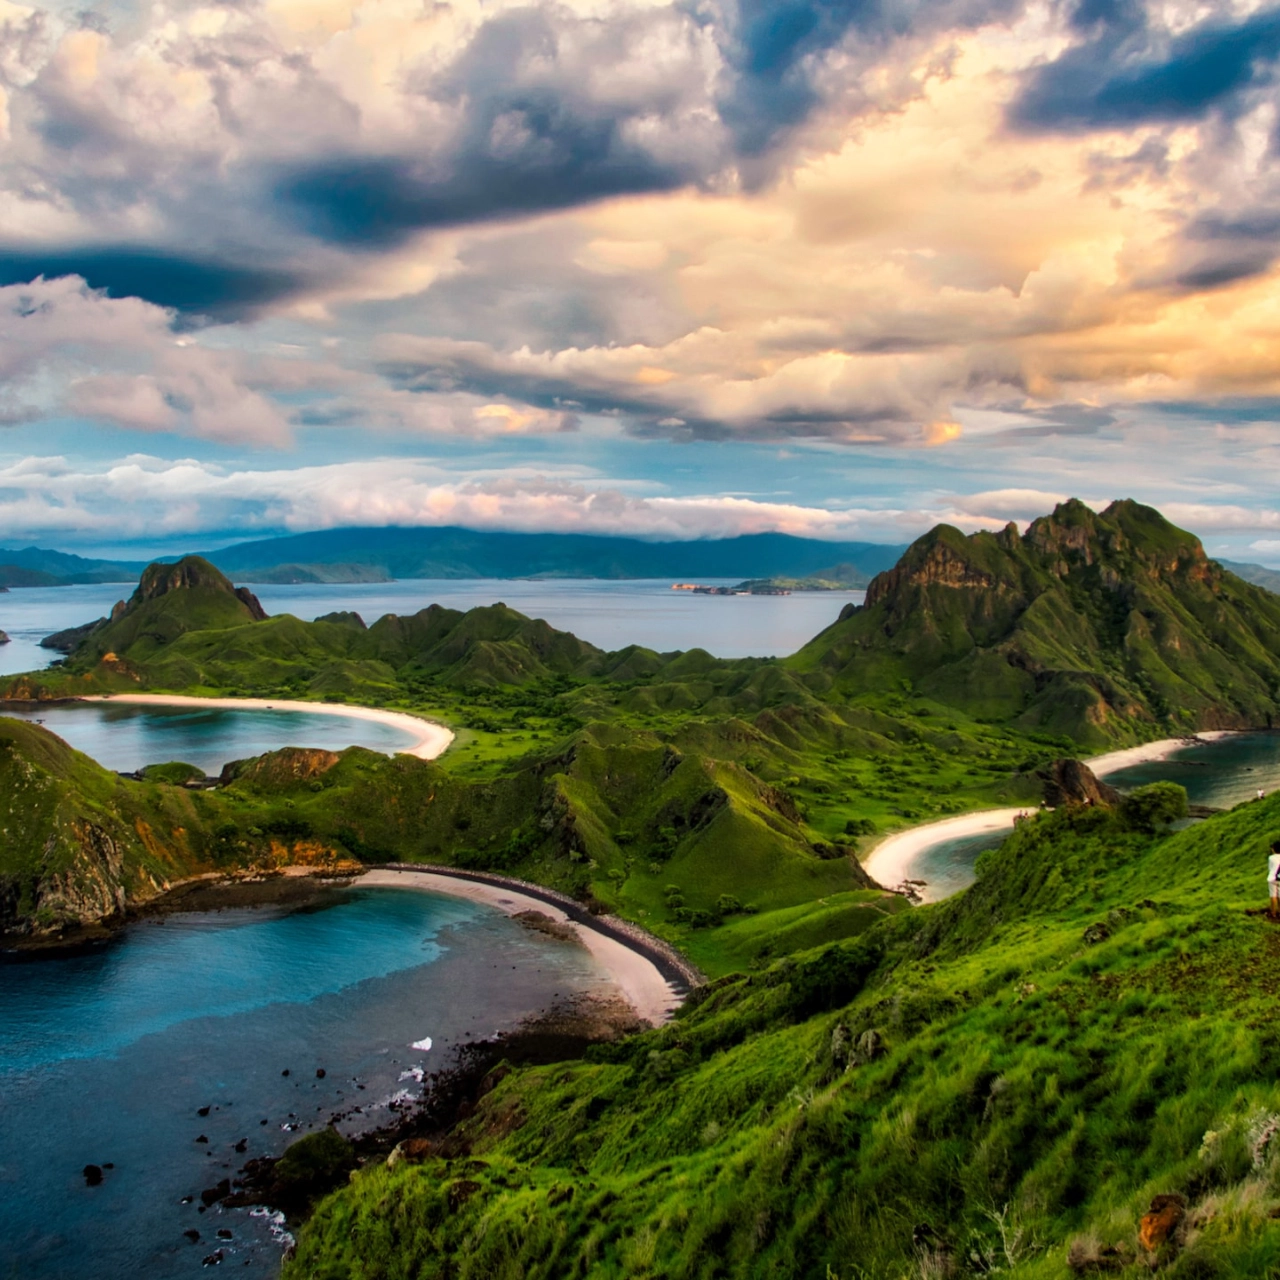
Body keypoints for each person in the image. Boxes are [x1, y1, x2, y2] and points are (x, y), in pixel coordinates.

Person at [1269, 842, 1280, 920]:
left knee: (1273, 896)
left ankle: (1273, 913)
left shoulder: (1271, 858)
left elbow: (1270, 868)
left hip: (1272, 878)